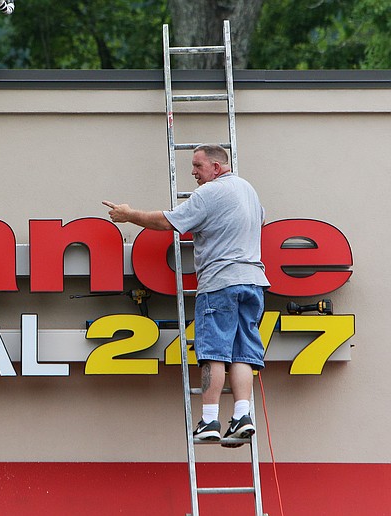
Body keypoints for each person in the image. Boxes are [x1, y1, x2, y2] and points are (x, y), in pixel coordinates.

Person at [102, 144, 269, 446]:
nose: (193, 172)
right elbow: (260, 222)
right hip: (254, 282)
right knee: (243, 352)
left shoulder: (209, 194)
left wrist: (128, 215)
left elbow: (166, 222)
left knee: (213, 352)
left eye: (197, 166)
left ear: (216, 167)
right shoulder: (249, 190)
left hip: (220, 283)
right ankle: (243, 415)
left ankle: (209, 420)